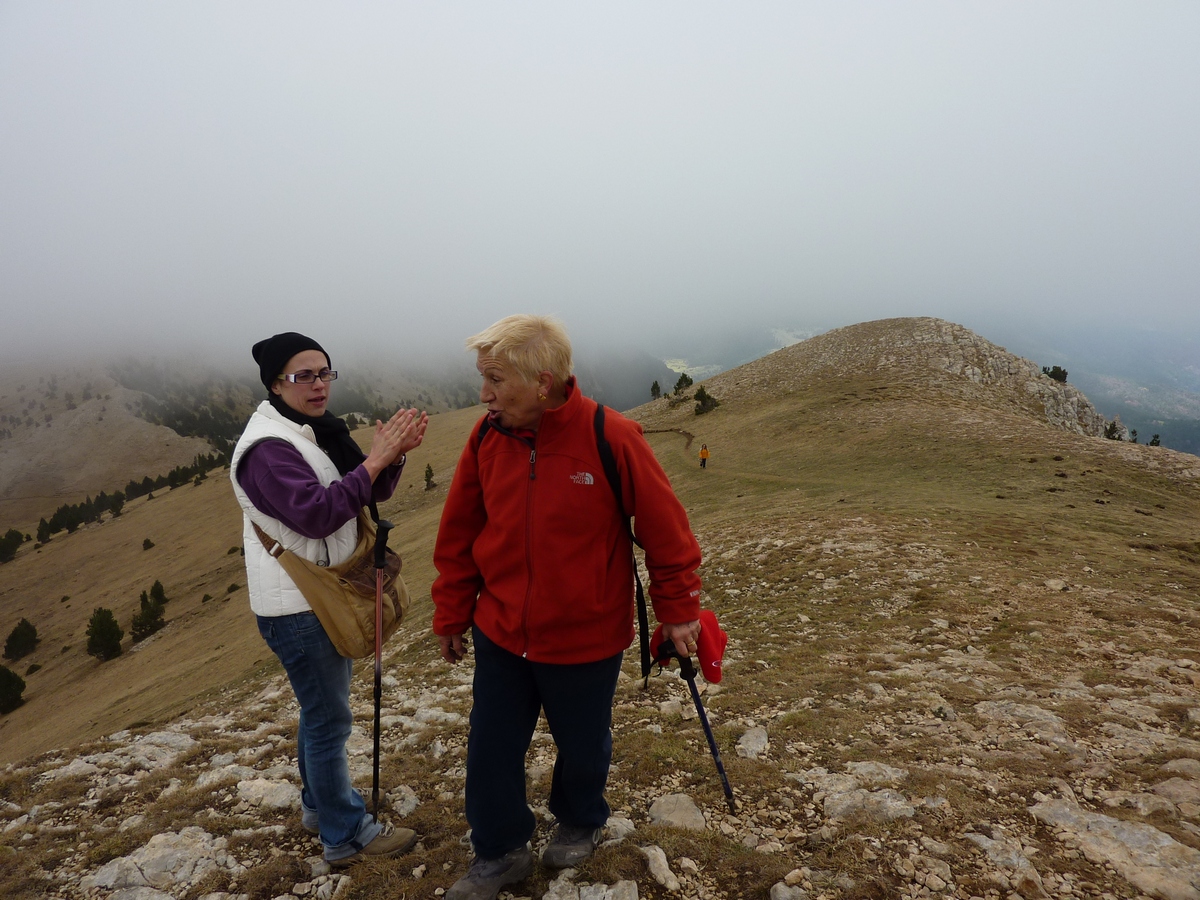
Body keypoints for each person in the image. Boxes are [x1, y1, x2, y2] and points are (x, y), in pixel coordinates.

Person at [432, 315, 704, 900]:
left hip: (586, 635)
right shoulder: (486, 439)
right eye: (482, 378)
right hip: (502, 631)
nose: (483, 394)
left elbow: (667, 531)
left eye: (495, 380)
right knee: (490, 746)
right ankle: (500, 850)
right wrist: (452, 612)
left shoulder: (611, 436)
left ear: (543, 382)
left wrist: (678, 609)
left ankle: (581, 819)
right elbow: (460, 532)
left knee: (582, 743)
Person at [229, 332, 428, 867]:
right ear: (276, 384)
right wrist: (375, 460)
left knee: (318, 711)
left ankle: (319, 808)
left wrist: (390, 459)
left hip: (313, 598)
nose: (318, 385)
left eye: (324, 373)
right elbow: (317, 514)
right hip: (300, 607)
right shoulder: (268, 450)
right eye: (303, 376)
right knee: (329, 720)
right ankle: (345, 834)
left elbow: (366, 490)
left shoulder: (312, 431)